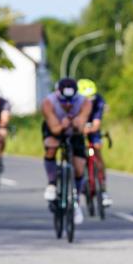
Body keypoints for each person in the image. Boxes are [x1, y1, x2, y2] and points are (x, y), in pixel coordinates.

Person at [41, 77, 92, 225]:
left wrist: (77, 124)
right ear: (58, 96)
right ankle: (51, 183)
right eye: (64, 102)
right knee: (51, 147)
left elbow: (82, 125)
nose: (68, 105)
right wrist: (62, 125)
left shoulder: (85, 102)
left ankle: (75, 201)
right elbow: (54, 128)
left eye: (71, 101)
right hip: (55, 128)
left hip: (74, 132)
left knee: (79, 166)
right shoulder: (48, 102)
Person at [77, 78, 112, 208]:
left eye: (91, 98)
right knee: (76, 153)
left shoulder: (99, 101)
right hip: (77, 127)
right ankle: (78, 182)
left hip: (92, 127)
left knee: (96, 149)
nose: (90, 101)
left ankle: (102, 190)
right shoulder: (74, 103)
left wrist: (90, 130)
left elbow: (97, 123)